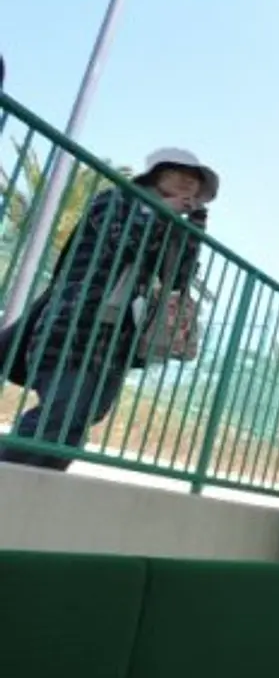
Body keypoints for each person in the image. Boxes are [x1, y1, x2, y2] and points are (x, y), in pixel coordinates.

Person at [0, 148, 214, 469]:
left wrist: (193, 229)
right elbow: (127, 241)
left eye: (196, 180)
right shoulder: (116, 198)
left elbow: (179, 278)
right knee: (62, 409)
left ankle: (37, 488)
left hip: (118, 338)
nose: (189, 182)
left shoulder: (170, 226)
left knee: (82, 420)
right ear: (156, 173)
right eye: (180, 172)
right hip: (74, 322)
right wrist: (162, 212)